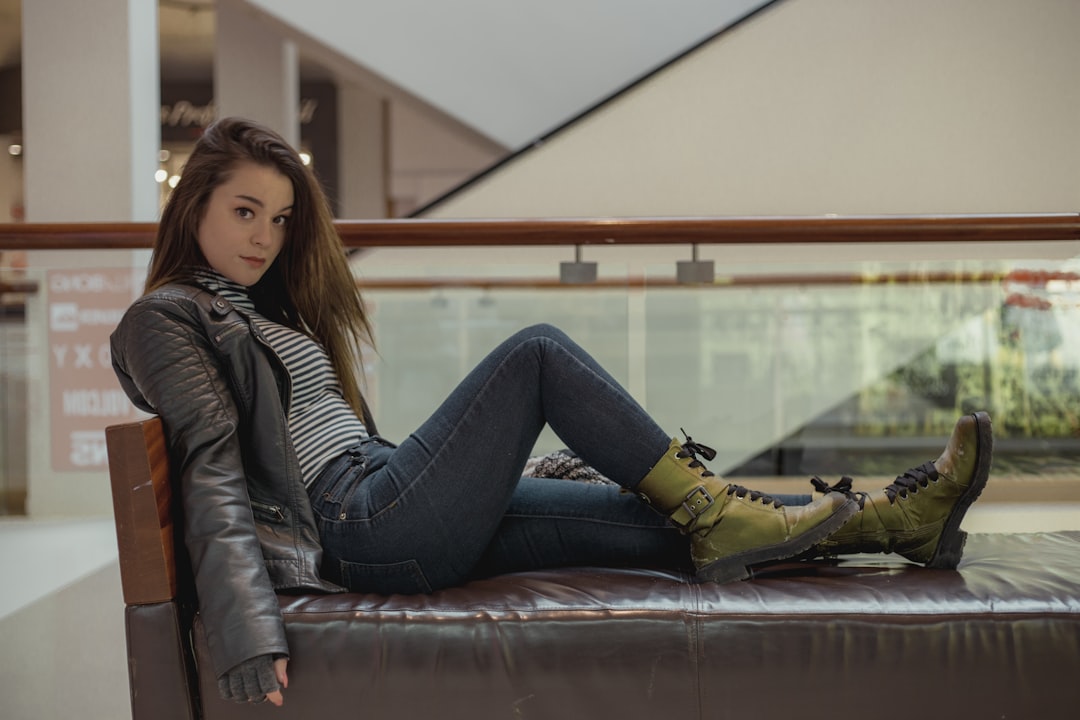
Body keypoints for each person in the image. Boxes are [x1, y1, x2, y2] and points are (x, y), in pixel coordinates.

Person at [111, 117, 994, 707]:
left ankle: (896, 523)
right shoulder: (168, 318)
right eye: (243, 211)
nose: (263, 235)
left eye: (279, 216)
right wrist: (244, 631)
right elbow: (212, 468)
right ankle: (720, 508)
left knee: (657, 524)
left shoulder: (264, 308)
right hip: (359, 524)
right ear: (192, 207)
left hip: (379, 493)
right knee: (536, 353)